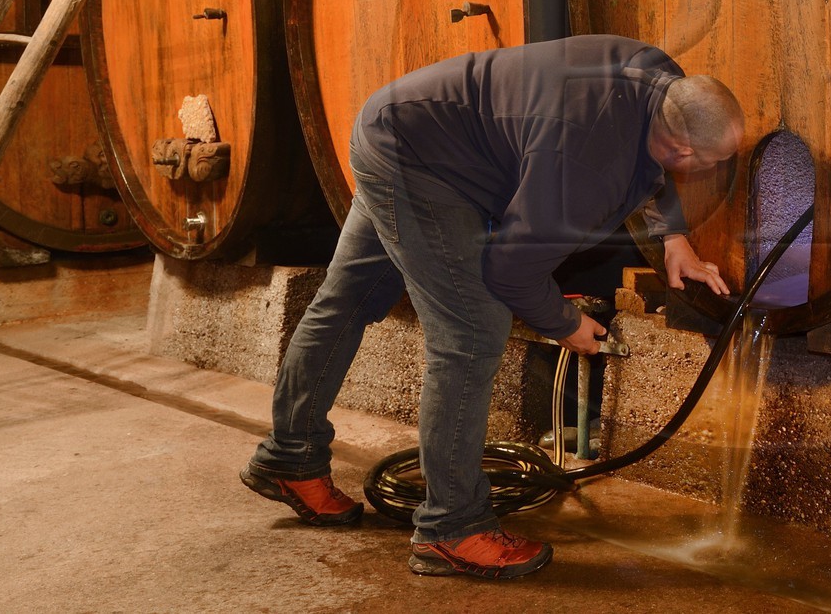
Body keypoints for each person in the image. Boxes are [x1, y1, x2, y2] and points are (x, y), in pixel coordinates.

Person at [240, 35, 741, 580]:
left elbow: (653, 159)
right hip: (422, 165)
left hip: (402, 125)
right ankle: (451, 529)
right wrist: (565, 323)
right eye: (711, 162)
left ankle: (289, 457)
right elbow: (512, 269)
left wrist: (674, 238)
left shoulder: (659, 76)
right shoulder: (586, 162)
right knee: (472, 332)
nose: (707, 169)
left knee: (348, 299)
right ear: (685, 152)